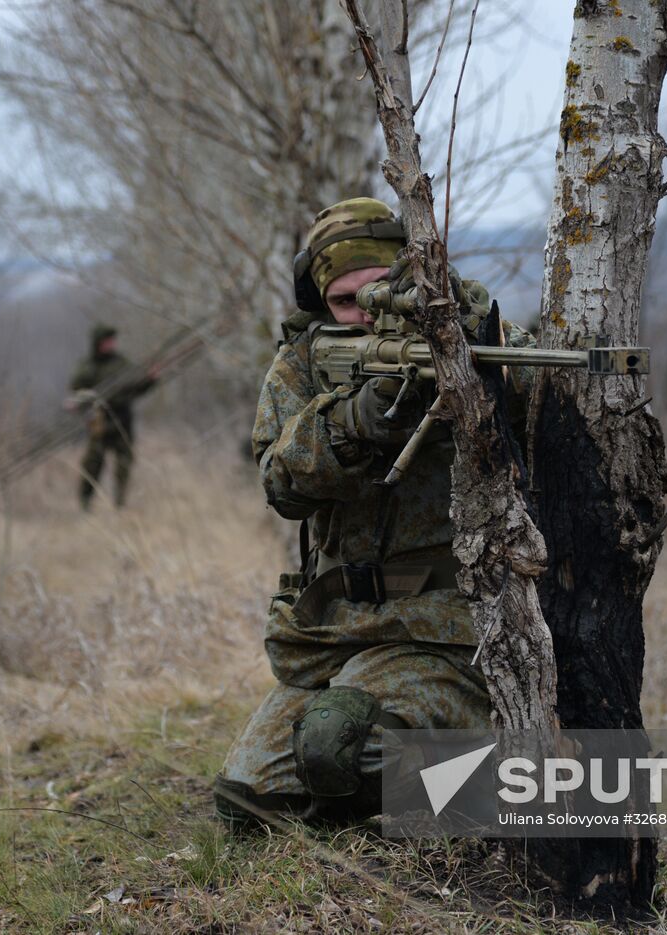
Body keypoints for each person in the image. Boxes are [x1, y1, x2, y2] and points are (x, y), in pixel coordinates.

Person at [213, 197, 533, 827]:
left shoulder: (472, 337)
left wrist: (464, 357)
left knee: (339, 747)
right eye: (344, 301)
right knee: (248, 802)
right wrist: (355, 420)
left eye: (380, 292)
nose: (364, 314)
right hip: (335, 627)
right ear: (321, 302)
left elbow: (536, 387)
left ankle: (513, 776)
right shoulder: (304, 363)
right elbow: (281, 485)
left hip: (442, 628)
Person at [67, 324, 156, 510]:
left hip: (122, 420)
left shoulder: (121, 363)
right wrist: (77, 403)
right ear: (97, 343)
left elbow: (137, 385)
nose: (111, 344)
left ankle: (120, 503)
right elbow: (76, 391)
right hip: (98, 421)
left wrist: (149, 379)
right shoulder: (87, 366)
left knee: (124, 463)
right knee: (93, 464)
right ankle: (85, 502)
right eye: (106, 341)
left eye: (112, 340)